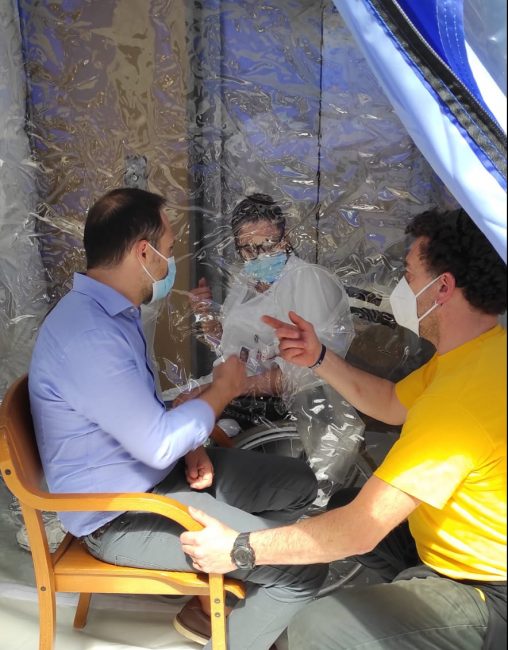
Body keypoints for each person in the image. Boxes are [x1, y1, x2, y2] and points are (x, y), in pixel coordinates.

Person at [180, 207, 507, 649]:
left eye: (409, 276)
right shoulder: (478, 353)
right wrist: (318, 357)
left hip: (487, 589)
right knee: (344, 501)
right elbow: (391, 402)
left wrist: (238, 548)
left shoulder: (457, 402)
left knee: (319, 626)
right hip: (450, 548)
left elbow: (359, 529)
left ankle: (431, 622)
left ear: (443, 288)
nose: (402, 288)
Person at [28, 187, 328, 650]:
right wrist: (224, 389)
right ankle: (237, 618)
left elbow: (137, 420)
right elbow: (155, 443)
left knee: (300, 484)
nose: (171, 262)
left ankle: (228, 609)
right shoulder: (90, 334)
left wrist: (189, 445)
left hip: (157, 479)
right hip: (121, 515)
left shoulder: (113, 314)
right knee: (303, 565)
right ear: (142, 253)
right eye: (168, 250)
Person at [185, 193, 363, 502]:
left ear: (286, 237)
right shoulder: (245, 283)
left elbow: (308, 371)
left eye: (267, 245)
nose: (258, 256)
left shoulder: (307, 280)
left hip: (294, 407)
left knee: (194, 421)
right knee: (179, 405)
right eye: (248, 249)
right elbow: (232, 349)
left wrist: (228, 389)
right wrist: (206, 318)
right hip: (246, 398)